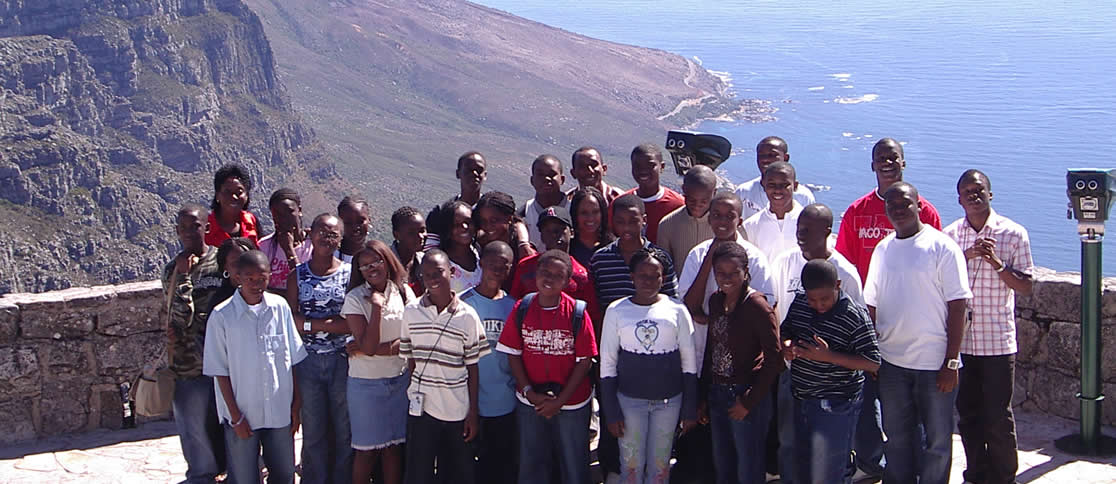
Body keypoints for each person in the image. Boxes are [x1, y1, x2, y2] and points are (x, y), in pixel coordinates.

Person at [834, 137, 942, 479]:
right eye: (881, 158)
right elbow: (844, 266)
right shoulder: (856, 212)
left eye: (894, 157)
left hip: (913, 327)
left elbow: (937, 263)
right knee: (867, 401)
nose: (888, 163)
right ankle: (873, 465)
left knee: (913, 408)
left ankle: (917, 469)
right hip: (866, 323)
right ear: (872, 165)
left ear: (903, 163)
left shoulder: (925, 211)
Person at [864, 182, 972, 484]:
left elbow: (958, 306)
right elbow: (871, 304)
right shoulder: (883, 249)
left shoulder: (942, 247)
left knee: (936, 442)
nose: (898, 210)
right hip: (891, 364)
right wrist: (872, 355)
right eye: (892, 205)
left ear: (919, 206)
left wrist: (951, 362)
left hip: (934, 365)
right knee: (896, 438)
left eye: (905, 204)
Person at [943, 170, 1034, 484]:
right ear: (959, 199)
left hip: (997, 341)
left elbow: (1025, 286)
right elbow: (939, 280)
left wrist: (996, 262)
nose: (973, 195)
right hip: (963, 342)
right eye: (967, 191)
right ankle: (976, 473)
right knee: (968, 415)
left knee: (997, 416)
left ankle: (1004, 476)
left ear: (990, 194)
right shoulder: (950, 236)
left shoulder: (1013, 233)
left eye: (979, 189)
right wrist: (966, 256)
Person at [768, 203, 863, 484]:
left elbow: (860, 330)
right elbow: (776, 311)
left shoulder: (845, 274)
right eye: (799, 228)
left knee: (829, 454)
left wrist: (830, 356)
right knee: (789, 443)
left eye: (808, 230)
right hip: (792, 373)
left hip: (832, 382)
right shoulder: (784, 262)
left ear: (827, 232)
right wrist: (784, 344)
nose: (801, 235)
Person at [203, 250, 307, 484]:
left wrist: (296, 404)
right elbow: (219, 370)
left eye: (262, 278)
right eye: (249, 278)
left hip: (279, 410)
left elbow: (292, 358)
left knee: (284, 474)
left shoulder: (279, 308)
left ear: (270, 276)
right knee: (244, 476)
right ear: (237, 277)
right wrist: (235, 416)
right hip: (243, 413)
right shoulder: (222, 316)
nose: (256, 284)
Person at [497, 250, 598, 484]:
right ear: (536, 273)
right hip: (531, 401)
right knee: (532, 463)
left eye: (557, 275)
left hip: (572, 402)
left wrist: (560, 401)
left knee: (573, 463)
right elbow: (513, 354)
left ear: (567, 281)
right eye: (545, 272)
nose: (549, 278)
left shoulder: (577, 313)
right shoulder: (523, 307)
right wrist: (529, 392)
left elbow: (584, 362)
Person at [599, 248, 698, 484]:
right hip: (629, 403)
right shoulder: (616, 310)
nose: (648, 281)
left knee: (660, 465)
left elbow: (689, 362)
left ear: (663, 278)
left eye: (655, 276)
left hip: (668, 403)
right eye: (642, 275)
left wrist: (689, 408)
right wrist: (611, 411)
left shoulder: (677, 310)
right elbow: (608, 363)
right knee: (631, 465)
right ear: (632, 276)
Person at [781, 260, 880, 484]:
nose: (818, 305)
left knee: (827, 473)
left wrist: (829, 357)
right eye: (812, 299)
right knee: (803, 467)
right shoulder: (800, 304)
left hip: (836, 404)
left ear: (838, 285)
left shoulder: (854, 316)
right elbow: (786, 330)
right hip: (801, 398)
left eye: (824, 299)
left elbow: (873, 362)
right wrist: (787, 345)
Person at [399, 249, 487, 484]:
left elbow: (473, 368)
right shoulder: (411, 312)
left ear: (452, 271)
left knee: (456, 473)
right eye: (427, 275)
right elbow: (410, 358)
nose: (433, 279)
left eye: (438, 272)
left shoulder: (467, 316)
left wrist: (472, 413)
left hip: (457, 409)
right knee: (419, 472)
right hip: (422, 410)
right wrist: (414, 393)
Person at [700, 242, 783, 484]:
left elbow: (774, 359)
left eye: (733, 273)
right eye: (720, 273)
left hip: (746, 395)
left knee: (749, 467)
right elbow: (712, 349)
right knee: (723, 464)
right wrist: (704, 395)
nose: (726, 279)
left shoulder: (757, 306)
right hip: (717, 393)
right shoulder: (716, 301)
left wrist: (748, 401)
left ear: (746, 272)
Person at [342, 240, 416, 484]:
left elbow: (411, 339)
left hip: (399, 379)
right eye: (364, 266)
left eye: (376, 261)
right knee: (366, 451)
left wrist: (376, 349)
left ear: (387, 261)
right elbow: (369, 347)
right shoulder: (355, 298)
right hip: (366, 385)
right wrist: (375, 307)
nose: (371, 268)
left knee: (393, 448)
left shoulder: (404, 292)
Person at [286, 214, 353, 484]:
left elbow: (351, 323)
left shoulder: (350, 274)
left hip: (342, 361)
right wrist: (330, 324)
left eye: (333, 234)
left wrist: (310, 324)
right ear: (310, 235)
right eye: (322, 232)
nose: (327, 238)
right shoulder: (297, 276)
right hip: (308, 363)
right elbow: (291, 322)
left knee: (344, 429)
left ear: (340, 239)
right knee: (313, 431)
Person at [163, 203, 227, 484]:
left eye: (195, 226)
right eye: (183, 228)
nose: (189, 232)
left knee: (228, 420)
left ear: (207, 228)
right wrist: (184, 277)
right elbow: (179, 319)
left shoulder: (221, 263)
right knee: (193, 426)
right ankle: (202, 475)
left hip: (224, 358)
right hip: (189, 361)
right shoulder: (173, 271)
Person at [459, 241, 520, 484]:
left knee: (501, 468)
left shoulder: (513, 306)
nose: (497, 269)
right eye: (492, 263)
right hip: (468, 404)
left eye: (504, 265)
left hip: (504, 403)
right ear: (481, 263)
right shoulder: (463, 304)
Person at [509, 206, 602, 328]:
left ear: (572, 233)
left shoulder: (581, 275)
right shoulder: (525, 267)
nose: (554, 235)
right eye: (548, 231)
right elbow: (512, 305)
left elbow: (592, 317)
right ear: (541, 236)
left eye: (559, 230)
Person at [590, 193, 679, 312]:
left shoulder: (660, 259)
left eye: (633, 221)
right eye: (620, 222)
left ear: (644, 220)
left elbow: (672, 301)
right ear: (613, 222)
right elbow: (595, 303)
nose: (626, 227)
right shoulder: (600, 260)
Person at [734, 136, 815, 220]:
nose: (765, 159)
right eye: (761, 155)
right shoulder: (743, 192)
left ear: (786, 158)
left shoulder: (804, 197)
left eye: (772, 155)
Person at [658, 165, 718, 274]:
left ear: (714, 193)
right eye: (691, 200)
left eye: (704, 201)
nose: (697, 205)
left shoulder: (725, 226)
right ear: (684, 190)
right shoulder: (667, 225)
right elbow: (665, 268)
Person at [424, 152, 487, 250]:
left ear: (485, 175)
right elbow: (430, 249)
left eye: (479, 170)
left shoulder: (492, 212)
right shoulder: (440, 213)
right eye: (468, 170)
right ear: (458, 173)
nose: (474, 173)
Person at [623, 144, 684, 245]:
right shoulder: (621, 203)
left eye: (650, 165)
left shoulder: (678, 204)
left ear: (662, 167)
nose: (643, 170)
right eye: (637, 166)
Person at [742, 162, 804, 259]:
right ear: (764, 186)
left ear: (795, 186)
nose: (777, 190)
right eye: (771, 185)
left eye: (784, 185)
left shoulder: (809, 223)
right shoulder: (750, 226)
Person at [258, 188, 312, 293]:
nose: (284, 218)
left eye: (289, 211)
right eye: (278, 214)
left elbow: (304, 285)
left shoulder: (313, 246)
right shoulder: (264, 246)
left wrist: (289, 250)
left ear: (299, 211)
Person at [473, 190, 536, 266]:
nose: (488, 225)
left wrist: (523, 243)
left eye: (494, 220)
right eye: (483, 220)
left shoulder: (524, 251)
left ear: (509, 218)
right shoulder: (477, 244)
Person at [520, 154, 570, 248]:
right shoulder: (523, 214)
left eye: (552, 174)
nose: (546, 179)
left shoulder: (574, 210)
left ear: (562, 179)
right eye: (540, 175)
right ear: (532, 180)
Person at [205, 164, 260, 246]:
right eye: (227, 192)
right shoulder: (205, 226)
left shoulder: (251, 221)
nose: (234, 197)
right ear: (217, 195)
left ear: (247, 195)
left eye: (239, 192)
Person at [435, 200, 481, 293]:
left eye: (468, 222)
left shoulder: (480, 254)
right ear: (447, 228)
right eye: (457, 224)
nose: (464, 227)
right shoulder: (439, 263)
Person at [569, 186, 615, 269]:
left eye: (595, 212)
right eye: (584, 213)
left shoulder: (615, 248)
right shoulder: (568, 247)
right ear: (575, 214)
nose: (590, 218)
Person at [391, 206, 426, 292]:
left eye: (422, 231)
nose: (421, 236)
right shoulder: (385, 265)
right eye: (412, 233)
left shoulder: (424, 261)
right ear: (396, 235)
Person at [213, 237, 257, 304]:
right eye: (236, 263)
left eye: (248, 261)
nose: (243, 268)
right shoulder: (219, 304)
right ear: (225, 267)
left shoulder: (269, 299)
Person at [337, 197, 371, 263]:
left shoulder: (377, 258)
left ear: (369, 220)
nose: (355, 227)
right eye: (348, 222)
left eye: (360, 221)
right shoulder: (328, 256)